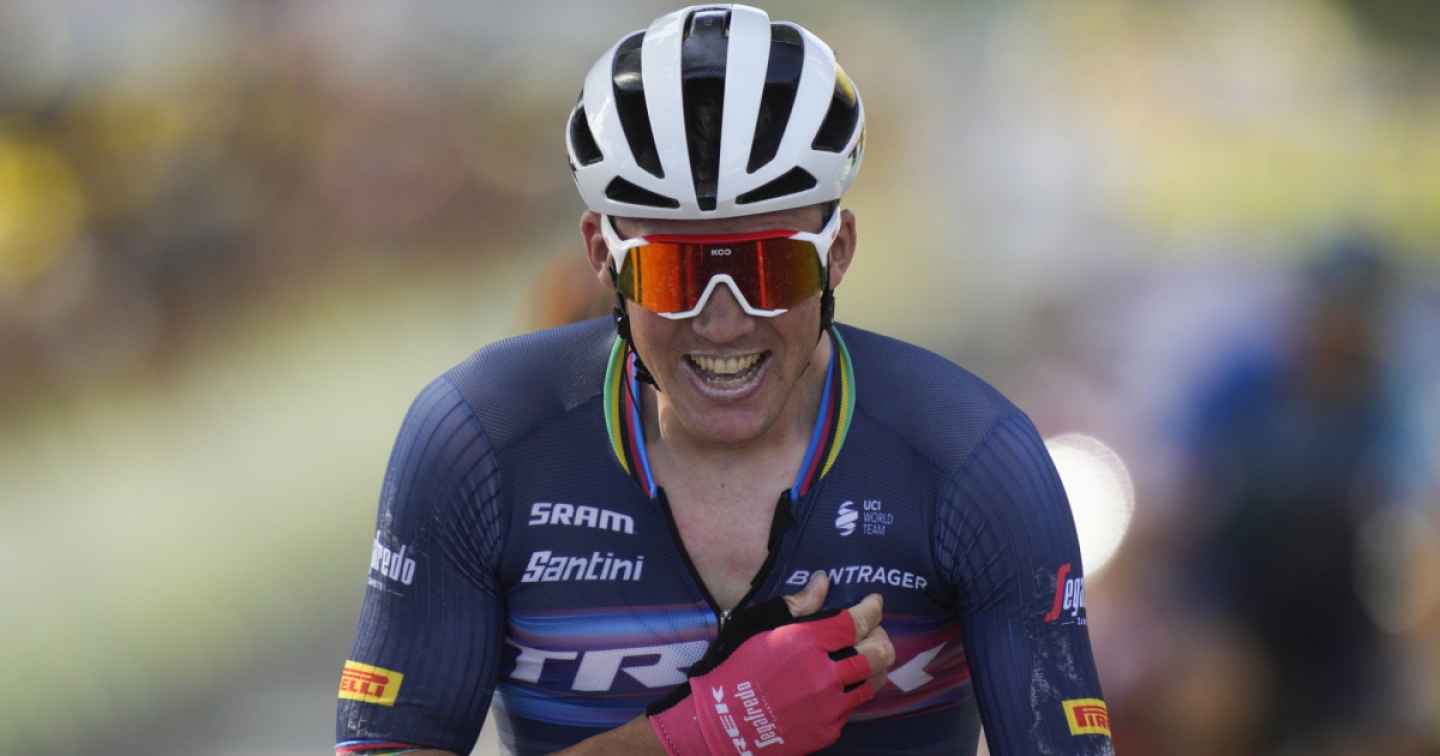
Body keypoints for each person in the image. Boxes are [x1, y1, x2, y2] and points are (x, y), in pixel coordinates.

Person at [335, 5, 1110, 755]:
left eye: (768, 268)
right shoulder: (480, 442)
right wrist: (695, 735)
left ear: (837, 253)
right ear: (602, 257)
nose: (724, 322)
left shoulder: (975, 460)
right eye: (675, 274)